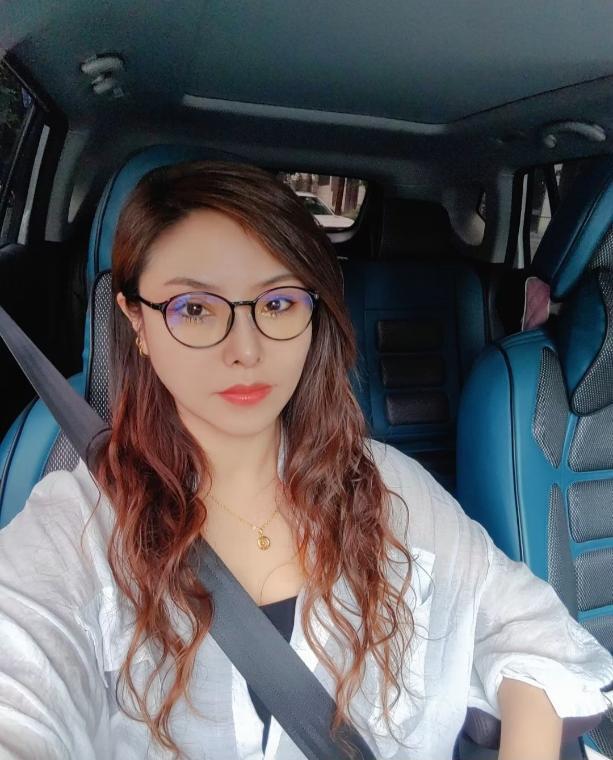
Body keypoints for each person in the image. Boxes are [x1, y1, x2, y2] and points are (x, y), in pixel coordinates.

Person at [0, 160, 611, 760]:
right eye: (195, 309)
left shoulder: (385, 484)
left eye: (277, 304)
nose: (245, 350)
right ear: (136, 320)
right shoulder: (76, 529)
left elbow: (528, 628)